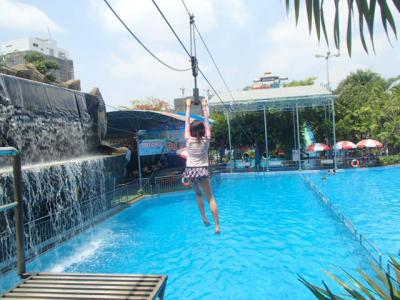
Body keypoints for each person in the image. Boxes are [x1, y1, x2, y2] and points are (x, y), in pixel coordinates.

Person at [182, 98, 220, 234]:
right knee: (210, 198)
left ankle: (203, 217)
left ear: (191, 131)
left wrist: (188, 106)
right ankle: (217, 226)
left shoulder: (188, 138)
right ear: (203, 130)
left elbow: (186, 121)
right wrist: (205, 106)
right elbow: (207, 120)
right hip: (202, 170)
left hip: (190, 171)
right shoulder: (207, 138)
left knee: (198, 194)